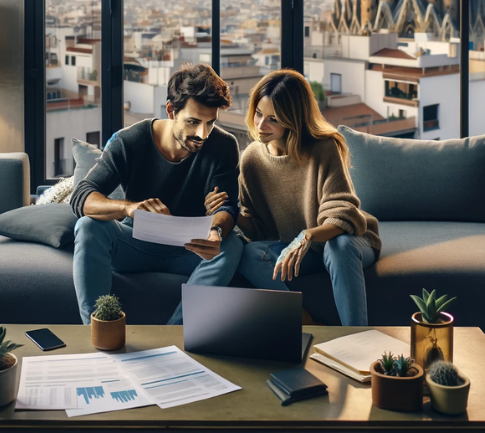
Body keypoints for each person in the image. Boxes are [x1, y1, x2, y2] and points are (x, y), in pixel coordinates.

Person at [70, 63, 243, 326]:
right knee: (87, 227)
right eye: (193, 122)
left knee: (231, 245)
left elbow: (228, 208)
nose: (202, 134)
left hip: (190, 248)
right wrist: (128, 208)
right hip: (134, 243)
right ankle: (99, 331)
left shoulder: (224, 145)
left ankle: (174, 334)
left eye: (210, 123)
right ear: (171, 110)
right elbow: (82, 197)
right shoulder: (130, 140)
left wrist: (216, 230)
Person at [205, 69, 381, 326]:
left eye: (273, 119)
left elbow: (343, 213)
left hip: (345, 241)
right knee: (248, 253)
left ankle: (354, 338)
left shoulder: (324, 148)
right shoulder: (252, 158)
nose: (261, 125)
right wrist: (229, 210)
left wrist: (307, 235)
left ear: (293, 120)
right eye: (258, 113)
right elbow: (257, 229)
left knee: (339, 247)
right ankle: (302, 318)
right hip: (297, 251)